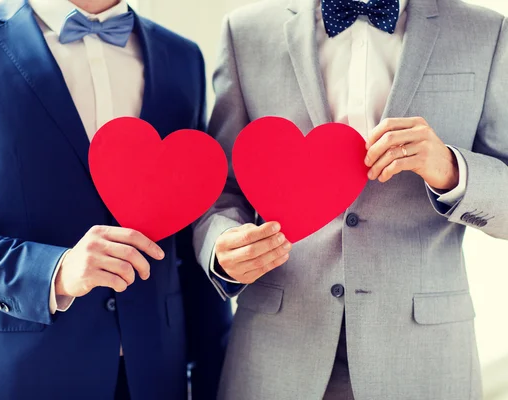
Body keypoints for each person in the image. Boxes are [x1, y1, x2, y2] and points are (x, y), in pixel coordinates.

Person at [0, 0, 231, 398]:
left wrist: (213, 379)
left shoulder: (183, 57)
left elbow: (188, 231)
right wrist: (52, 272)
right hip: (18, 376)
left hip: (155, 378)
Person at [193, 0, 508, 398]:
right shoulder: (246, 31)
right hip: (278, 354)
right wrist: (223, 248)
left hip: (423, 359)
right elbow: (221, 189)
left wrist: (451, 169)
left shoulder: (486, 32)